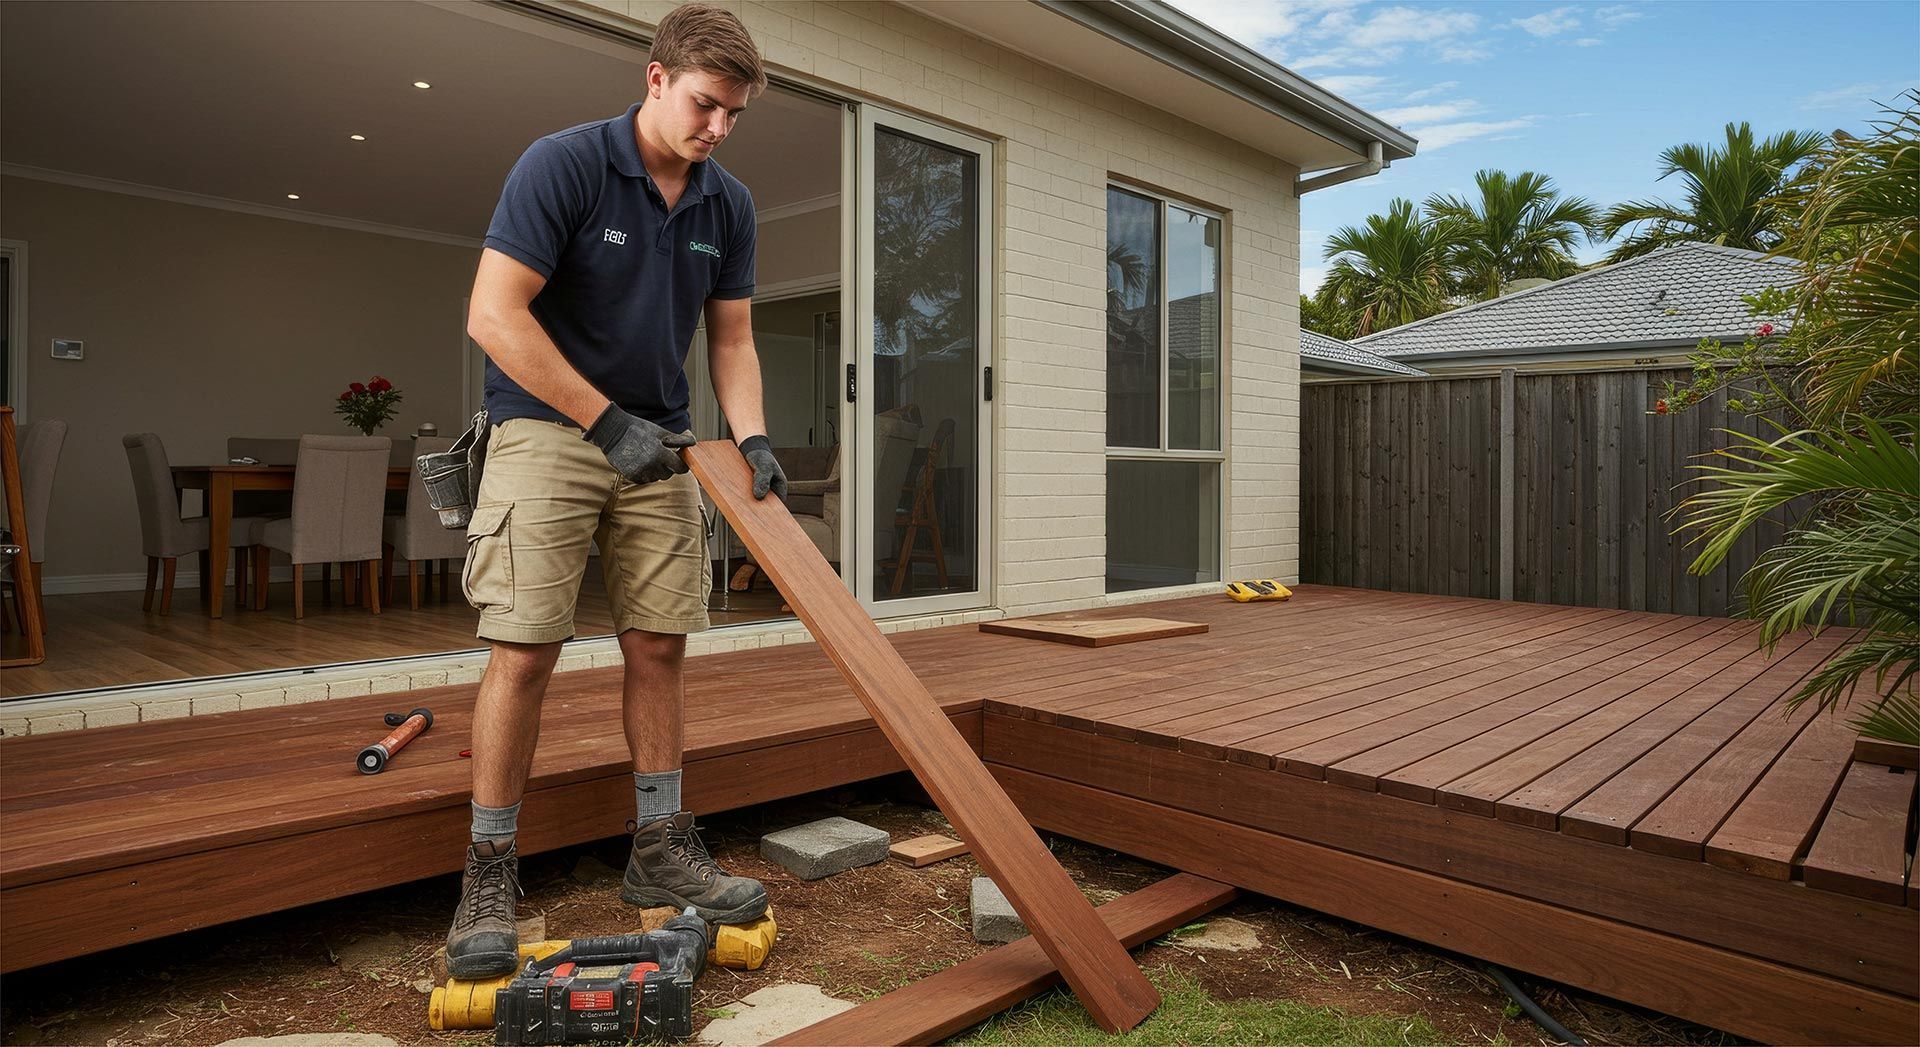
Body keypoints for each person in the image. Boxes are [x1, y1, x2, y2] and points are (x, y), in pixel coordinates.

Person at [445, 3, 788, 979]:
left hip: (661, 444)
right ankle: (488, 868)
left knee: (661, 644)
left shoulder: (729, 206)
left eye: (733, 114)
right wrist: (602, 420)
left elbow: (732, 338)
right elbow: (493, 314)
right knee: (524, 650)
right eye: (704, 105)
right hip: (548, 431)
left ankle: (657, 848)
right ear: (655, 78)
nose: (717, 128)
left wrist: (752, 435)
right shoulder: (564, 165)